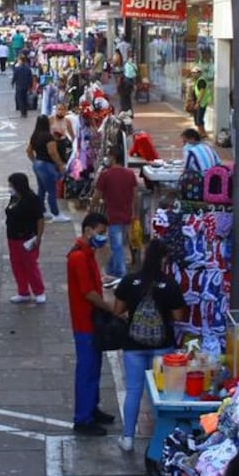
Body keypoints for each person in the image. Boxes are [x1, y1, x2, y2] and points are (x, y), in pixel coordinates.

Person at [112, 240, 188, 452]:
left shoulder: (130, 281)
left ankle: (127, 438)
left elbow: (117, 309)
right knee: (163, 393)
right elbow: (179, 316)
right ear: (164, 259)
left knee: (133, 391)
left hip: (133, 346)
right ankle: (163, 437)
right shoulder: (169, 284)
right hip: (163, 347)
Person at [67, 212, 118, 436]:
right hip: (85, 322)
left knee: (94, 368)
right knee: (87, 370)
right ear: (88, 231)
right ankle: (83, 418)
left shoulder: (88, 254)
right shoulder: (79, 257)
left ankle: (91, 408)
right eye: (100, 233)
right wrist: (112, 308)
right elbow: (88, 292)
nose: (103, 237)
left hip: (91, 321)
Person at [89, 147, 138, 281]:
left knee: (116, 246)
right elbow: (135, 195)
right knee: (119, 245)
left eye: (109, 156)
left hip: (113, 216)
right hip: (128, 215)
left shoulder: (106, 175)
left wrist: (91, 209)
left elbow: (96, 195)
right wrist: (134, 212)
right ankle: (112, 269)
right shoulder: (130, 174)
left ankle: (122, 275)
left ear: (113, 157)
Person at [5, 172, 47, 304]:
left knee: (31, 266)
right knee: (17, 266)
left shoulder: (32, 199)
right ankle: (23, 291)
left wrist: (39, 237)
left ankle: (39, 291)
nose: (9, 187)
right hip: (13, 238)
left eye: (11, 185)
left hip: (27, 238)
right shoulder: (14, 197)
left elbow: (40, 219)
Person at [26, 114, 70, 224]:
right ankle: (56, 214)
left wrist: (35, 161)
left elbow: (28, 150)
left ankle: (42, 211)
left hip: (38, 164)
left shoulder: (34, 135)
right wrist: (60, 164)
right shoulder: (48, 137)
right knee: (52, 191)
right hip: (47, 165)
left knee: (41, 189)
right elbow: (52, 152)